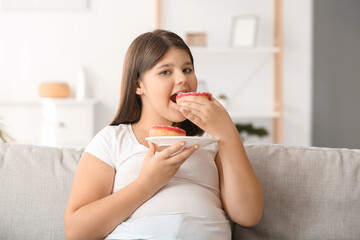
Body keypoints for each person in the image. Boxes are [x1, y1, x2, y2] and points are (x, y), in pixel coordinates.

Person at [64, 29, 264, 240]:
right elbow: (76, 232)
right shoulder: (112, 140)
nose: (182, 79)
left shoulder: (213, 141)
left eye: (187, 69)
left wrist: (227, 132)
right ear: (138, 85)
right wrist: (147, 183)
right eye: (165, 72)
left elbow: (248, 215)